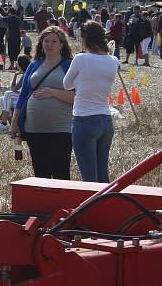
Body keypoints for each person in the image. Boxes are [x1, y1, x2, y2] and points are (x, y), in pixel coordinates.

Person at [9, 26, 75, 180]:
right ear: (41, 43)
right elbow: (23, 95)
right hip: (34, 128)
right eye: (46, 41)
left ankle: (62, 204)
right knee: (40, 173)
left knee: (60, 172)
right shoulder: (34, 64)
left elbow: (77, 96)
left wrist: (52, 92)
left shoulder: (69, 65)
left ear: (61, 44)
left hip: (61, 128)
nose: (49, 44)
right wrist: (14, 122)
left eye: (54, 41)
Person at [63, 21, 119, 183]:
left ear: (85, 38)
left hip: (84, 119)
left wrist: (80, 81)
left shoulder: (81, 59)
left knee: (89, 179)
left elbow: (67, 85)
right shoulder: (113, 60)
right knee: (103, 175)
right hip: (105, 120)